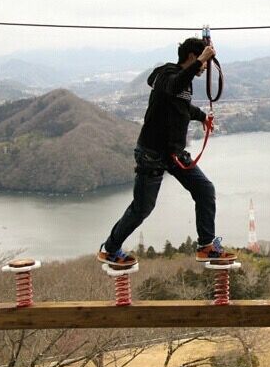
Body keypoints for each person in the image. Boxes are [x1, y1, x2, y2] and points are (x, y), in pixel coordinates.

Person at [97, 38, 235, 266]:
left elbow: (180, 106)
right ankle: (109, 249)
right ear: (192, 57)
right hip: (152, 153)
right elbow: (174, 85)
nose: (203, 68)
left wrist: (202, 116)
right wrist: (201, 59)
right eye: (201, 63)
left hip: (173, 153)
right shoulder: (167, 75)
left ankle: (206, 245)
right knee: (142, 208)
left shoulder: (183, 82)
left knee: (205, 190)